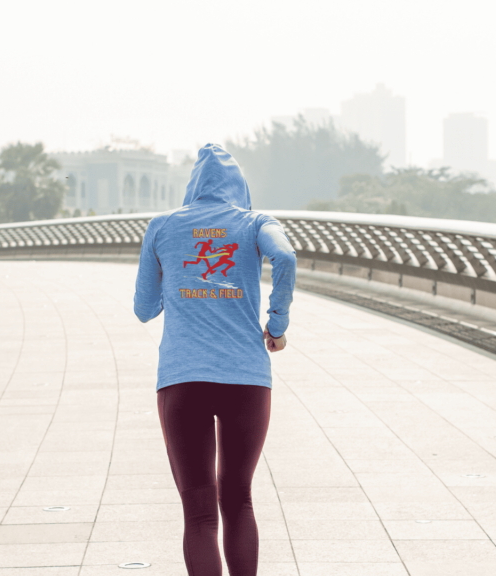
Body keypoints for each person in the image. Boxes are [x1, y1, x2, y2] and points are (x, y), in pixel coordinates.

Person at [134, 144, 296, 576]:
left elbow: (144, 309)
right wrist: (276, 327)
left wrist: (183, 281)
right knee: (238, 498)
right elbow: (285, 255)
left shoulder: (163, 226)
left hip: (182, 379)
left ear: (192, 187)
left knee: (199, 514)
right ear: (239, 188)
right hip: (246, 378)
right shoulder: (255, 222)